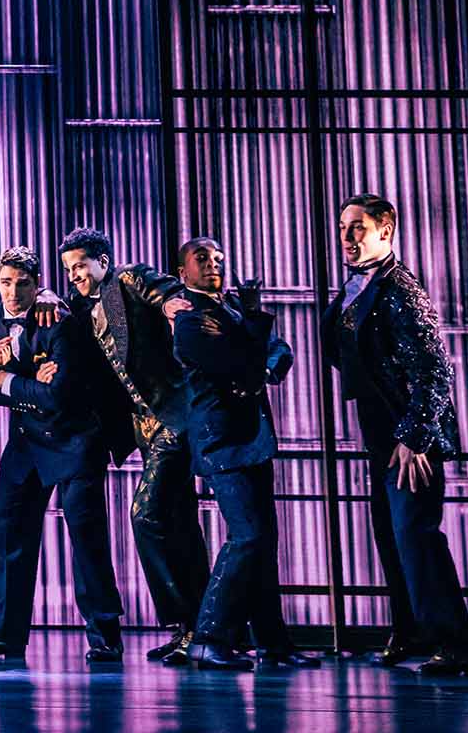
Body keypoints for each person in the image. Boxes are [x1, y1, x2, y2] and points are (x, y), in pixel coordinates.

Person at [0, 246, 126, 664]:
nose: (13, 292)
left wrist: (11, 379)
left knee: (86, 536)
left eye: (23, 284)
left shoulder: (57, 317)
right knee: (6, 527)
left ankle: (105, 637)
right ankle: (4, 636)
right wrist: (20, 382)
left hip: (77, 438)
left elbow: (59, 393)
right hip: (27, 439)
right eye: (6, 283)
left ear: (37, 283)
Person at [325, 194, 468, 676]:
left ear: (385, 230)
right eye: (344, 227)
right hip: (380, 434)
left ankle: (452, 644)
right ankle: (409, 631)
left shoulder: (400, 289)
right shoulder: (355, 287)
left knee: (416, 536)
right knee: (391, 536)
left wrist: (415, 436)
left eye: (358, 228)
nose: (347, 238)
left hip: (410, 438)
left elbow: (435, 370)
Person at [55, 227, 204, 663]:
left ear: (102, 260)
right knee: (179, 523)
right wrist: (48, 293)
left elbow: (164, 289)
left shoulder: (128, 279)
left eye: (82, 265)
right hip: (144, 430)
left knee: (146, 516)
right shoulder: (82, 307)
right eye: (69, 269)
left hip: (172, 419)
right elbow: (61, 311)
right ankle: (195, 628)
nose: (76, 275)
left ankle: (190, 623)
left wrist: (174, 304)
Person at [170, 237, 316, 672]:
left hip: (250, 437)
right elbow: (242, 362)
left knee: (262, 542)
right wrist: (255, 344)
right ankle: (208, 637)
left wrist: (261, 364)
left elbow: (278, 350)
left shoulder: (228, 310)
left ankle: (273, 642)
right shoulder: (191, 319)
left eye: (218, 259)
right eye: (202, 259)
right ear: (183, 273)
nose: (214, 265)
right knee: (247, 536)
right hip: (222, 441)